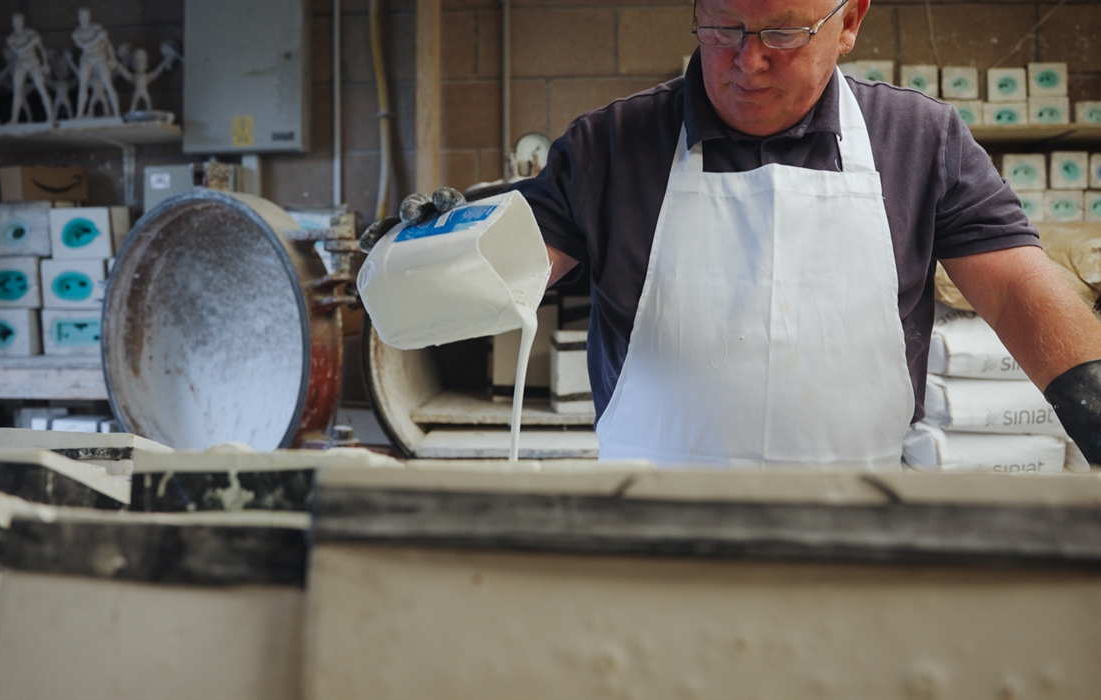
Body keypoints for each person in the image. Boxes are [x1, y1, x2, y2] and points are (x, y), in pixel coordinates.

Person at [361, 0, 1101, 467]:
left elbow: (1015, 291)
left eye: (783, 32)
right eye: (721, 29)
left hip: (860, 528)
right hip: (654, 530)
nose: (747, 61)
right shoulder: (613, 147)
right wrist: (432, 249)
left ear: (849, 22)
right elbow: (499, 275)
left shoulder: (918, 140)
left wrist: (1093, 402)